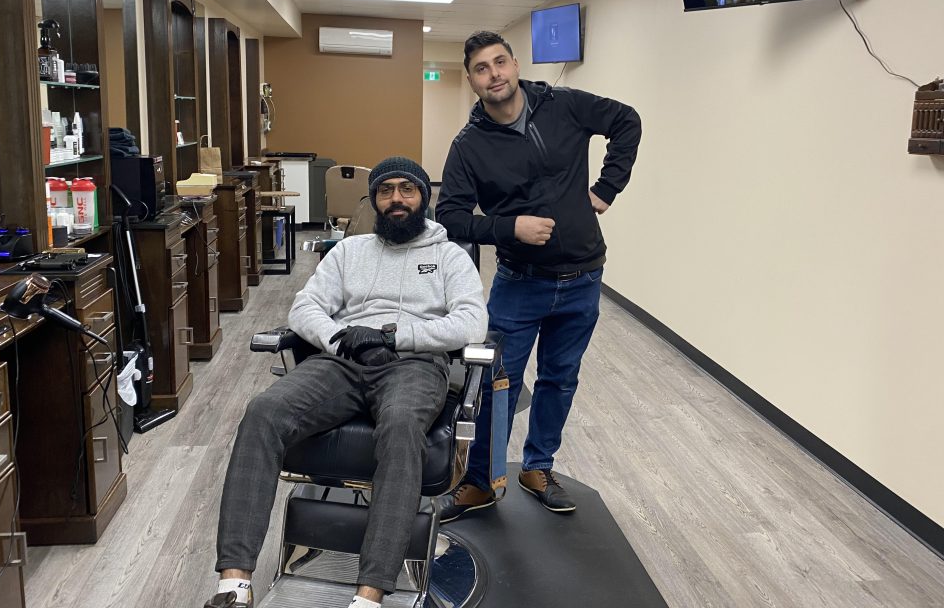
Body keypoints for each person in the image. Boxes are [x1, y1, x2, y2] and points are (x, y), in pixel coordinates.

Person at [204, 156, 488, 608]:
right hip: (344, 361)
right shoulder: (349, 252)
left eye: (407, 189)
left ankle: (370, 594)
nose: (397, 199)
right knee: (264, 411)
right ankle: (234, 583)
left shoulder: (449, 256)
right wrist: (343, 339)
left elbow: (472, 324)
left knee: (399, 426)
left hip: (414, 365)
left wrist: (395, 336)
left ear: (423, 197)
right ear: (374, 200)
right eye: (386, 190)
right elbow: (305, 308)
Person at [435, 31, 641, 521]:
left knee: (559, 379)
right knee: (494, 382)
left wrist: (607, 188)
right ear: (471, 81)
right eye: (481, 69)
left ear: (514, 63)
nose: (494, 75)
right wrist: (510, 228)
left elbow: (626, 121)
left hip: (583, 277)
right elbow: (451, 216)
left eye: (499, 62)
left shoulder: (563, 105)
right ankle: (481, 481)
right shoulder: (468, 146)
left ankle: (538, 467)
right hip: (519, 284)